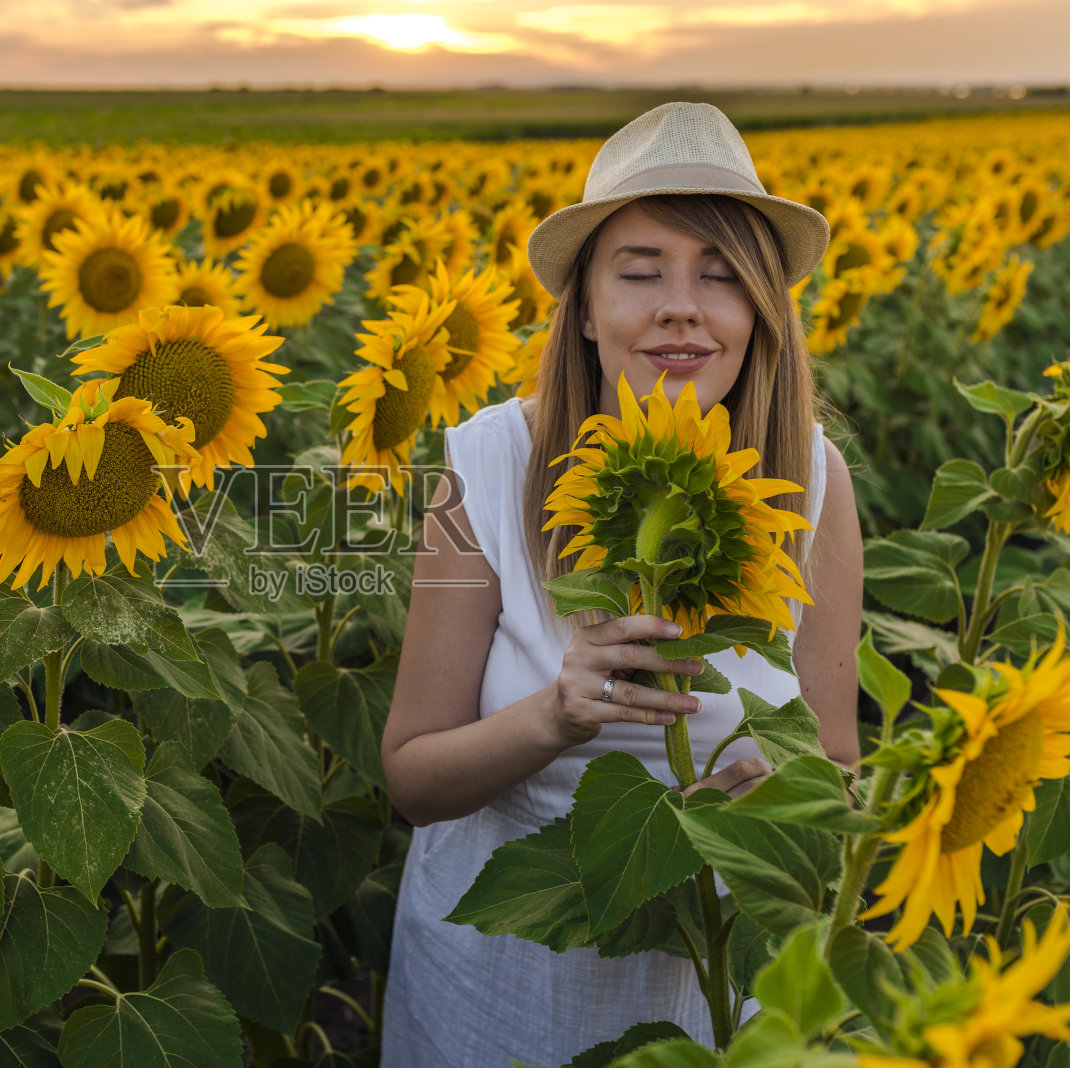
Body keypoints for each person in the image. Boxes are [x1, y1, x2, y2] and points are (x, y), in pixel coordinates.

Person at [378, 101, 863, 1066]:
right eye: (640, 272)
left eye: (721, 275)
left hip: (716, 979)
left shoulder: (811, 480)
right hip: (502, 978)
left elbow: (839, 769)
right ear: (588, 312)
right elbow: (411, 778)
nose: (681, 306)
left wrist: (783, 806)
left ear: (761, 311)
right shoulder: (487, 465)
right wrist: (555, 716)